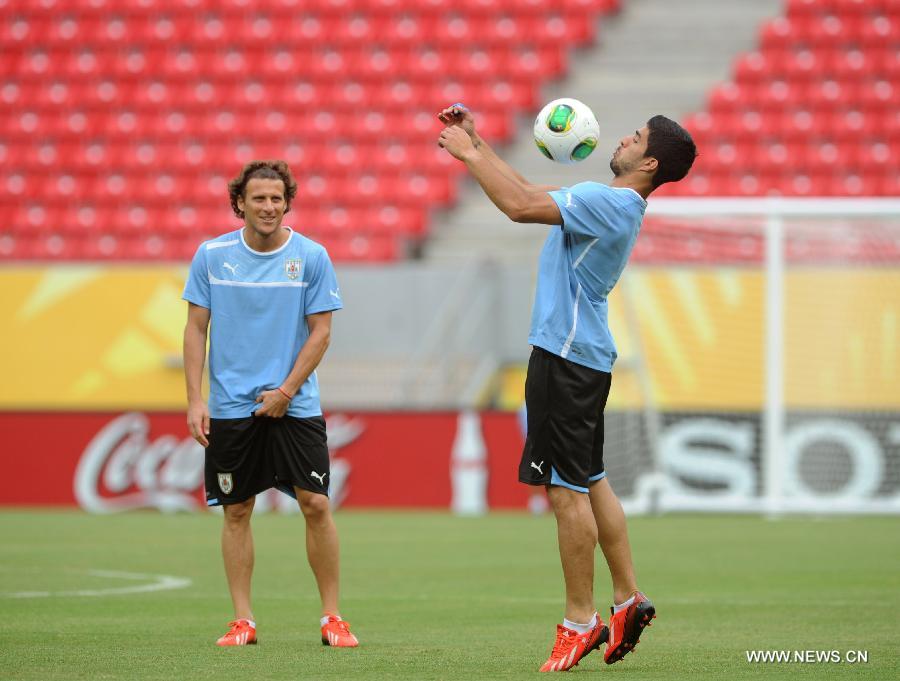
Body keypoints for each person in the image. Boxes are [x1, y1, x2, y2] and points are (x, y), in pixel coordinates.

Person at [437, 104, 695, 672]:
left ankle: (581, 620)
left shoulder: (608, 202)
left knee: (564, 491)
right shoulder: (615, 202)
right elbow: (528, 187)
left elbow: (518, 205)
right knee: (592, 479)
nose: (622, 138)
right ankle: (627, 597)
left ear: (648, 162)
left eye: (635, 138)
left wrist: (463, 157)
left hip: (564, 357)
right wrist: (478, 146)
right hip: (586, 357)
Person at [182, 160, 358, 648]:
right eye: (258, 198)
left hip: (295, 404)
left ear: (287, 203)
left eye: (277, 198)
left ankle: (332, 618)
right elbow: (196, 328)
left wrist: (285, 391)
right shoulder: (212, 255)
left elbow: (321, 332)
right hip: (232, 407)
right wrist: (195, 399)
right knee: (237, 509)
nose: (268, 207)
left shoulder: (312, 256)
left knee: (316, 503)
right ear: (239, 202)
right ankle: (243, 620)